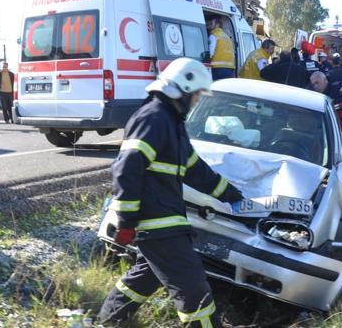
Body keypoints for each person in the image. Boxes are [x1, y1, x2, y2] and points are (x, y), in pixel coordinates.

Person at [98, 57, 244, 328]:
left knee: (146, 275)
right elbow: (127, 168)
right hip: (157, 224)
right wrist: (126, 222)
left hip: (165, 220)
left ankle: (109, 320)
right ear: (183, 90)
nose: (197, 101)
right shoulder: (153, 118)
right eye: (197, 95)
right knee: (194, 289)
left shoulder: (172, 125)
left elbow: (197, 171)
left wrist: (233, 196)